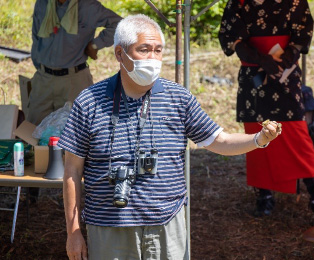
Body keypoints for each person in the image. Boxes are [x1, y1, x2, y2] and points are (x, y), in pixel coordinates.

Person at [58, 14, 281, 259]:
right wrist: (74, 232)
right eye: (144, 49)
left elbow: (220, 141)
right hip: (109, 227)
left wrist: (259, 139)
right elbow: (72, 170)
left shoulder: (178, 98)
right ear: (120, 54)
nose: (153, 58)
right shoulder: (89, 102)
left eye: (158, 50)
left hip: (166, 225)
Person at [218, 0, 314, 224]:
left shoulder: (295, 1)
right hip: (253, 77)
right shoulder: (239, 2)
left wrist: (287, 57)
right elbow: (232, 39)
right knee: (257, 136)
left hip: (285, 73)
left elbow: (302, 32)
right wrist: (261, 59)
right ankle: (264, 195)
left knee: (297, 135)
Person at [28, 0, 122, 203]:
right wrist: (40, 64)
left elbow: (120, 25)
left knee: (79, 135)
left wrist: (95, 44)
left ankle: (79, 193)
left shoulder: (89, 6)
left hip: (74, 77)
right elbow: (36, 35)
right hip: (44, 77)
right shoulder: (43, 4)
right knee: (34, 130)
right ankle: (30, 191)